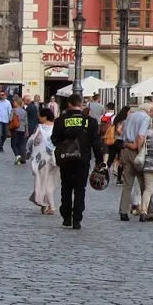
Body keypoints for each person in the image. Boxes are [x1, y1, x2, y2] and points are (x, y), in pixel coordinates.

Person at [51, 94, 104, 229]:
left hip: (66, 159)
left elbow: (54, 140)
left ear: (69, 104)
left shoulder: (61, 120)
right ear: (81, 104)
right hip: (83, 159)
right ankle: (77, 219)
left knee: (66, 187)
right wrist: (99, 161)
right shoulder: (90, 121)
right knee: (80, 189)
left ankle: (66, 216)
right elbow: (96, 143)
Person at [116, 103, 153, 221]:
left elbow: (122, 135)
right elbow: (141, 136)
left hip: (126, 148)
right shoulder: (146, 118)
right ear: (149, 111)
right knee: (144, 182)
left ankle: (123, 211)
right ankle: (147, 210)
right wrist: (139, 152)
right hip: (136, 150)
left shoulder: (130, 116)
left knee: (127, 183)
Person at [27, 107, 59, 215]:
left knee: (43, 182)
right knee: (50, 182)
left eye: (40, 115)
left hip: (42, 159)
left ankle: (48, 205)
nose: (38, 117)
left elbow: (31, 141)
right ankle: (48, 205)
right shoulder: (57, 127)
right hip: (55, 159)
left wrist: (28, 153)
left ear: (45, 117)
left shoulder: (40, 127)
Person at [10, 96, 27, 165]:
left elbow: (10, 119)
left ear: (17, 103)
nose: (13, 103)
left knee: (13, 144)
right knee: (20, 144)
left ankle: (17, 155)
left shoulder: (13, 110)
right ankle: (21, 158)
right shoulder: (24, 111)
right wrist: (27, 131)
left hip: (15, 129)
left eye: (14, 102)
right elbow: (26, 122)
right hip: (22, 130)